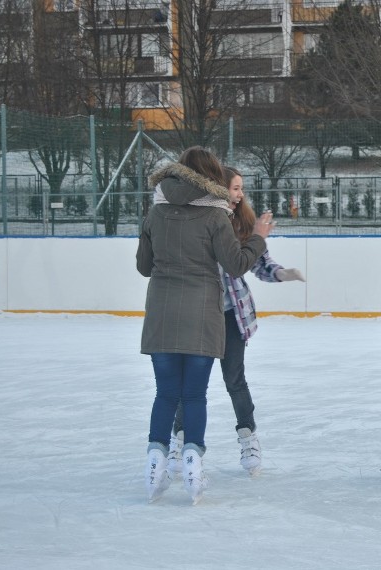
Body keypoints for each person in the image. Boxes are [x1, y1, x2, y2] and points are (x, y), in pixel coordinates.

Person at [137, 147, 273, 503]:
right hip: (201, 317)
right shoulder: (215, 216)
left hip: (162, 315)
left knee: (166, 393)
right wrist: (258, 237)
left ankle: (156, 460)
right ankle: (193, 463)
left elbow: (143, 266)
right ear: (211, 177)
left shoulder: (155, 211)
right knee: (194, 394)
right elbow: (237, 264)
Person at [166, 167, 306, 478]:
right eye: (234, 188)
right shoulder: (199, 221)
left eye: (241, 188)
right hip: (197, 316)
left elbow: (260, 262)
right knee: (189, 384)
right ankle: (179, 440)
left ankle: (248, 439)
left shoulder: (242, 223)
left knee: (234, 380)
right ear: (218, 190)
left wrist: (282, 273)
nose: (239, 194)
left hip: (231, 316)